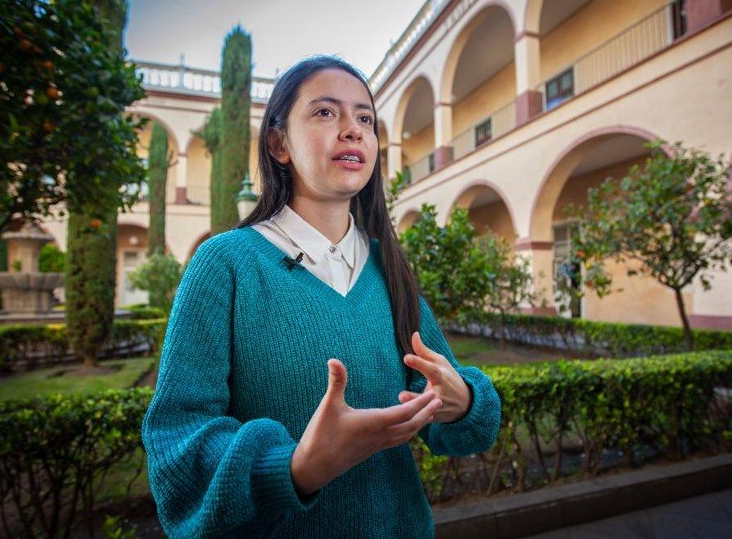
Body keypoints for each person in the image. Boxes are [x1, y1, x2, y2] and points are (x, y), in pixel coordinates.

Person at [141, 55, 502, 539]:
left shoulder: (387, 268)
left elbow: (447, 402)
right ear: (279, 144)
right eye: (326, 112)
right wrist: (295, 467)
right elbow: (176, 445)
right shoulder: (225, 265)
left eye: (365, 118)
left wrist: (463, 400)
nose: (352, 130)